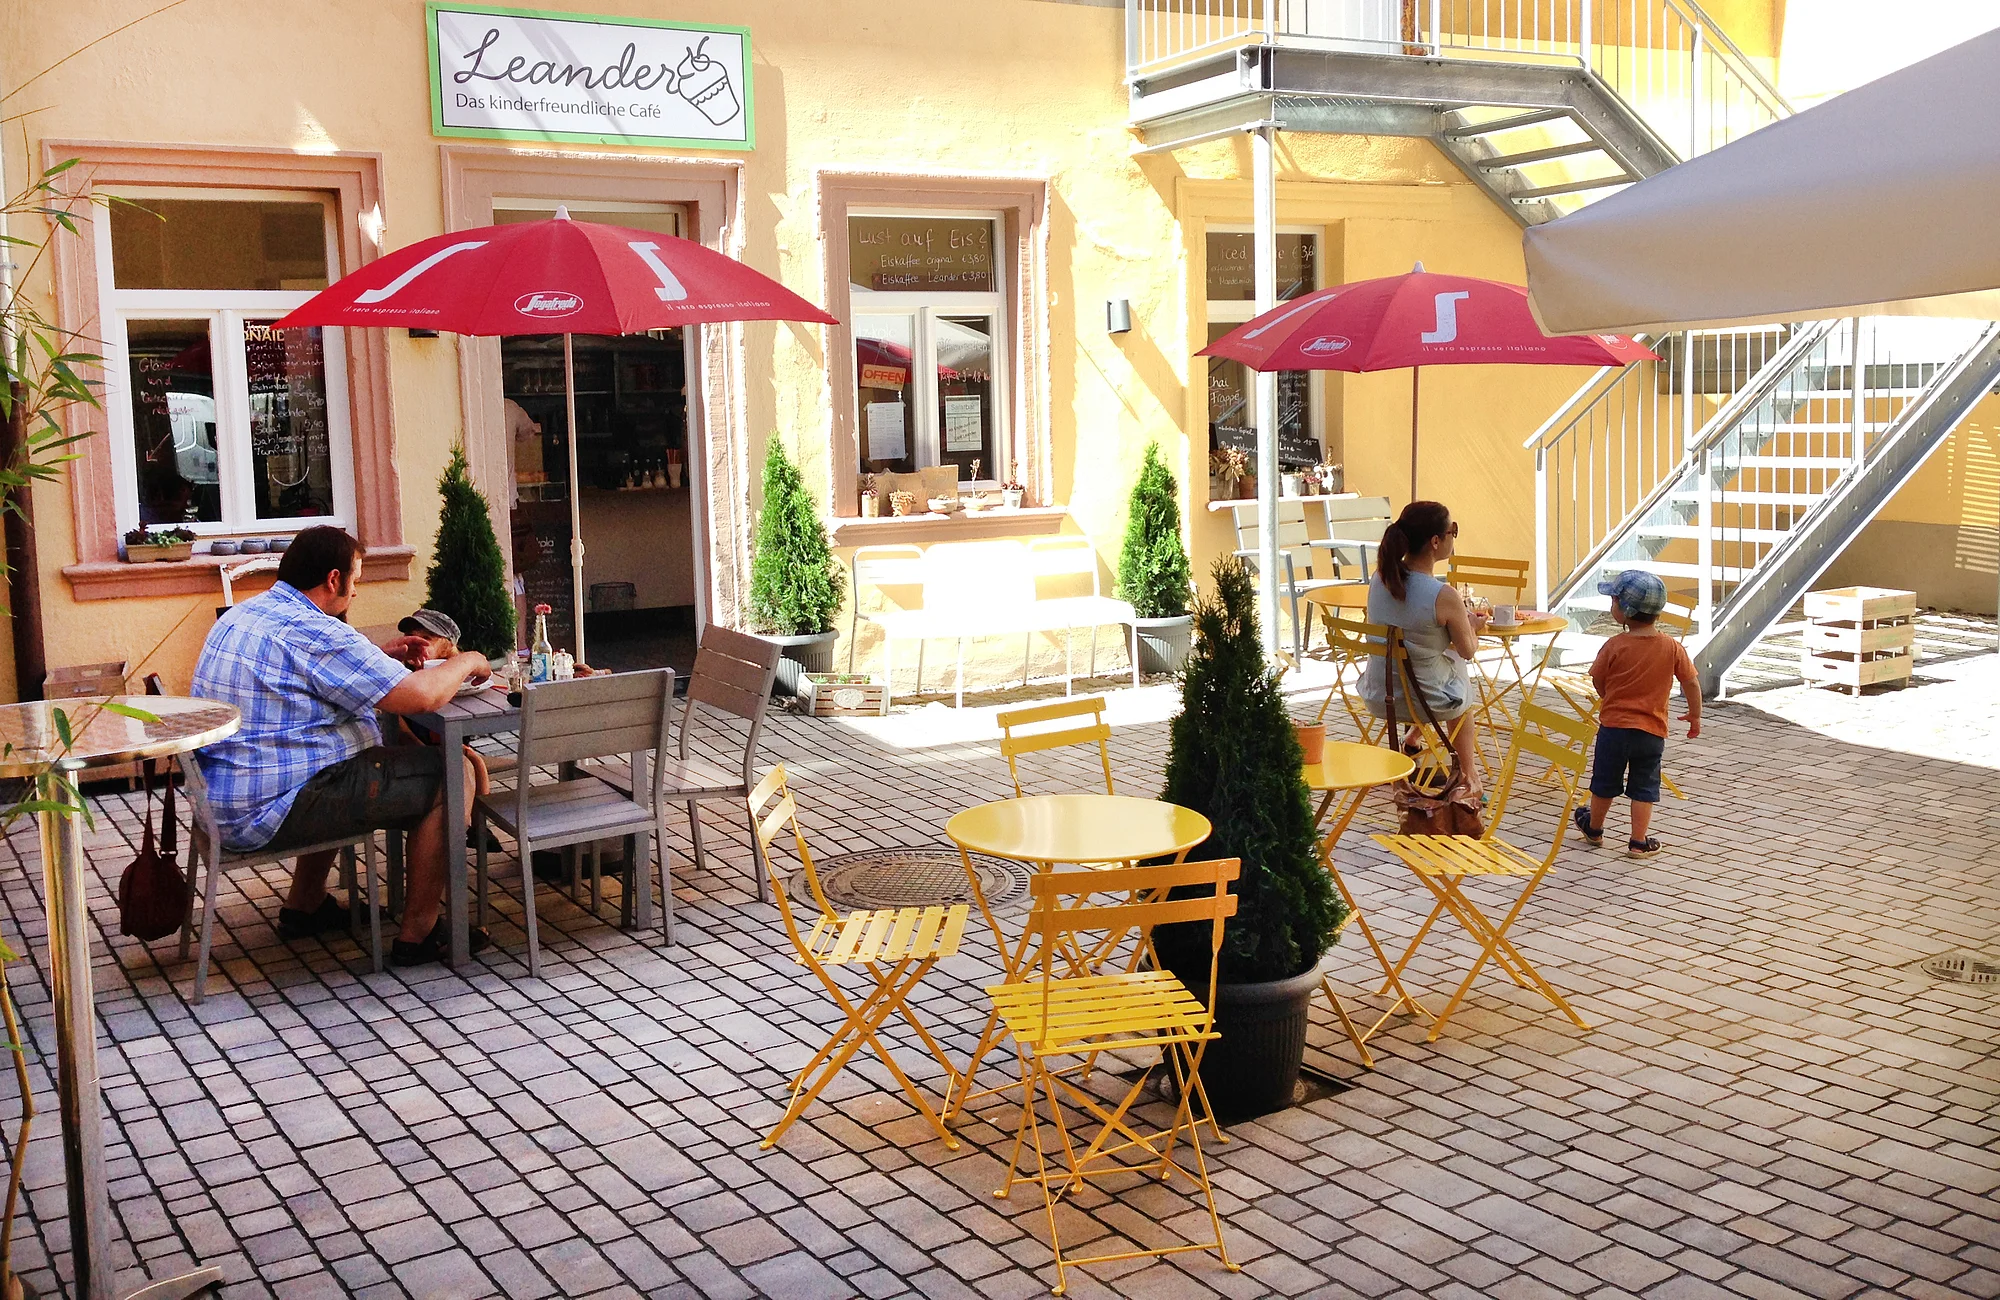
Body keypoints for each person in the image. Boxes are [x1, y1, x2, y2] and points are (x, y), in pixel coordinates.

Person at [191, 526, 492, 966]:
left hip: (222, 799)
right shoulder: (319, 632)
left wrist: (377, 657)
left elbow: (311, 672)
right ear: (334, 579)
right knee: (452, 772)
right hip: (269, 808)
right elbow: (422, 696)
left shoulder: (242, 614)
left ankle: (305, 905)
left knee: (336, 755)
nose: (356, 591)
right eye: (356, 580)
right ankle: (420, 934)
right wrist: (467, 660)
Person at [1358, 500, 1488, 784]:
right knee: (1459, 677)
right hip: (1427, 701)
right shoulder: (1443, 594)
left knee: (1439, 668)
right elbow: (1468, 650)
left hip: (1380, 694)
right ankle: (1468, 776)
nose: (1454, 537)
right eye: (1453, 530)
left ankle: (1412, 738)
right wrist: (1472, 626)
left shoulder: (1380, 579)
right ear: (1435, 541)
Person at [1574, 570, 1702, 858]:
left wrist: (1608, 696)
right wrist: (1695, 714)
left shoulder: (1614, 645)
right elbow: (1691, 682)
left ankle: (1594, 828)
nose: (1611, 605)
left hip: (1614, 729)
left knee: (1604, 781)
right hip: (1651, 732)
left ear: (1624, 610)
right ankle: (1638, 841)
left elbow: (1598, 679)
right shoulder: (1672, 647)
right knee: (1644, 786)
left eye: (1613, 601)